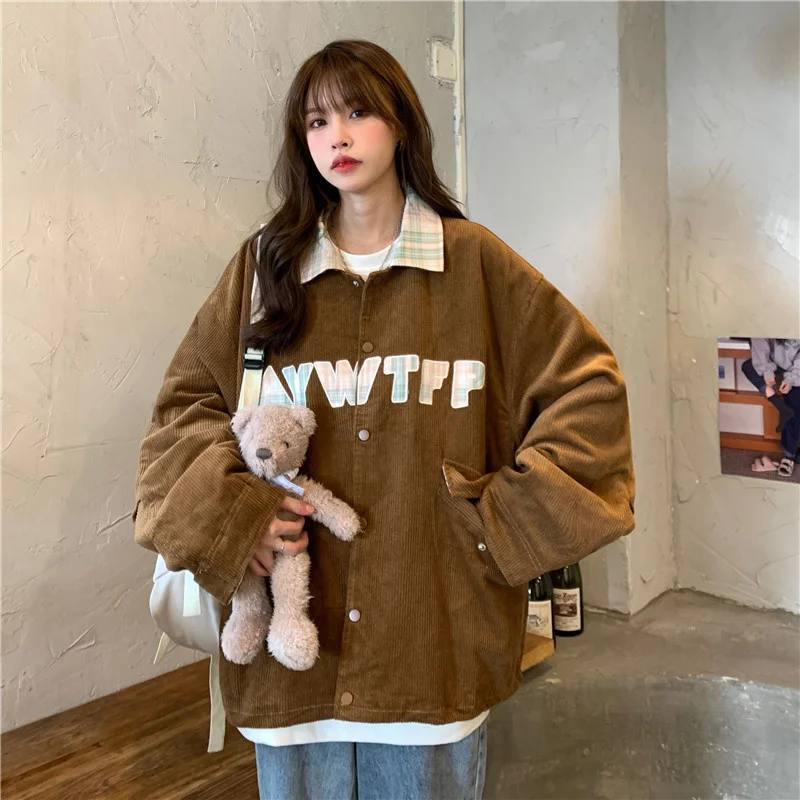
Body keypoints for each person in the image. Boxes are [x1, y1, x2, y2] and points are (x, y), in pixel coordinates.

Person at [133, 39, 636, 800]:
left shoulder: (473, 265)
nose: (337, 136)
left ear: (401, 123)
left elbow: (589, 394)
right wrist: (237, 520)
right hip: (292, 672)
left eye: (358, 112)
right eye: (317, 121)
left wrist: (492, 528)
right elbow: (181, 415)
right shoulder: (265, 268)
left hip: (430, 655)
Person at [744, 338, 800, 478]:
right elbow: (760, 344)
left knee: (795, 403)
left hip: (796, 366)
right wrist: (767, 372)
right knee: (748, 366)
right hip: (773, 362)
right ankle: (780, 406)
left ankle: (789, 455)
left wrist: (791, 379)